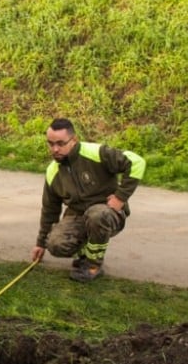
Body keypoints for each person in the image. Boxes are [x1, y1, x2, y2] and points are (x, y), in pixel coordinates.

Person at [29, 118, 146, 282]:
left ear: (74, 140)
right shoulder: (52, 172)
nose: (55, 149)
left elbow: (137, 162)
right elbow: (50, 210)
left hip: (107, 212)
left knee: (96, 215)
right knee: (55, 245)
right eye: (50, 144)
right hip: (78, 216)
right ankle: (85, 252)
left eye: (61, 144)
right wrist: (41, 243)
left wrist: (120, 197)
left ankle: (93, 265)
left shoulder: (96, 153)